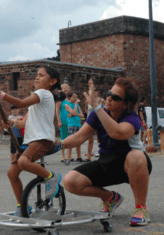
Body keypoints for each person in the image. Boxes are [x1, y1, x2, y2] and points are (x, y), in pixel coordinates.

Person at [61, 78, 152, 226]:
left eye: (115, 97)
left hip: (131, 165)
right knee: (70, 181)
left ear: (125, 103)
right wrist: (59, 144)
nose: (109, 98)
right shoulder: (98, 114)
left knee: (136, 156)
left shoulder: (132, 118)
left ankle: (140, 208)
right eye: (109, 93)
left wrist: (97, 107)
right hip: (106, 162)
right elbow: (79, 136)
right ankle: (111, 198)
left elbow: (117, 132)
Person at [0, 65, 62, 216]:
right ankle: (22, 206)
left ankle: (51, 177)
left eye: (41, 75)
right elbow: (24, 122)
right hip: (31, 142)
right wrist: (12, 123)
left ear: (52, 81)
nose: (37, 77)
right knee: (12, 173)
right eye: (36, 74)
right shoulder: (37, 102)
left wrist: (0, 94)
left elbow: (21, 103)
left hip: (42, 140)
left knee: (23, 162)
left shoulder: (44, 93)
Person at [64, 92, 84, 163]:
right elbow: (73, 112)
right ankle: (68, 158)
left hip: (78, 124)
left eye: (76, 97)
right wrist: (75, 105)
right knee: (71, 141)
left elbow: (82, 115)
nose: (76, 98)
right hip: (71, 125)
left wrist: (75, 114)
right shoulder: (67, 105)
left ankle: (79, 157)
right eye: (74, 97)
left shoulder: (78, 105)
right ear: (69, 97)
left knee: (78, 142)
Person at [85, 94, 105, 161]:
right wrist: (89, 116)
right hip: (91, 121)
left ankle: (101, 154)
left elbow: (104, 109)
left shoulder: (101, 100)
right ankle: (88, 156)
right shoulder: (88, 100)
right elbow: (86, 108)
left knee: (100, 139)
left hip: (99, 120)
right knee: (90, 140)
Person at [55, 84, 72, 163]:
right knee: (63, 138)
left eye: (67, 87)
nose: (66, 89)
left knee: (70, 138)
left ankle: (69, 155)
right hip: (63, 121)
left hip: (71, 121)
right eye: (64, 88)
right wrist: (59, 120)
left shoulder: (71, 98)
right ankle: (63, 156)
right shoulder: (60, 100)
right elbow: (57, 110)